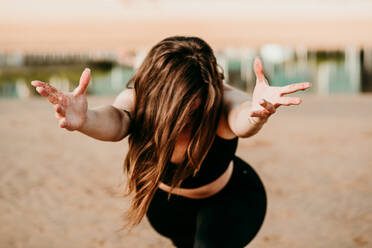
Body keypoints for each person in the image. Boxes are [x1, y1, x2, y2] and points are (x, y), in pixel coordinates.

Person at [31, 36, 311, 248]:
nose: (188, 114)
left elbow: (241, 117)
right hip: (166, 207)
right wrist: (86, 121)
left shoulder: (220, 98)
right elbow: (116, 121)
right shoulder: (138, 100)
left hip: (231, 202)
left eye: (194, 103)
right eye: (181, 104)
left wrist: (257, 113)